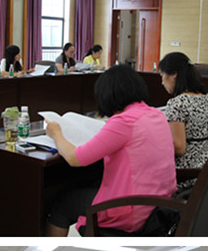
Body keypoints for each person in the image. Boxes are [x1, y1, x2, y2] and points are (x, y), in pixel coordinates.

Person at [45, 64, 177, 236]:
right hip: (159, 205)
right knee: (91, 183)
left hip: (132, 210)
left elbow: (74, 158)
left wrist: (56, 134)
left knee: (63, 203)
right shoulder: (156, 114)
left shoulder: (124, 121)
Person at [158, 52, 208, 184]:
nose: (162, 82)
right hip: (206, 169)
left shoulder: (177, 103)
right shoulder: (205, 97)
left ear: (174, 74)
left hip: (186, 174)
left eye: (162, 76)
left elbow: (179, 148)